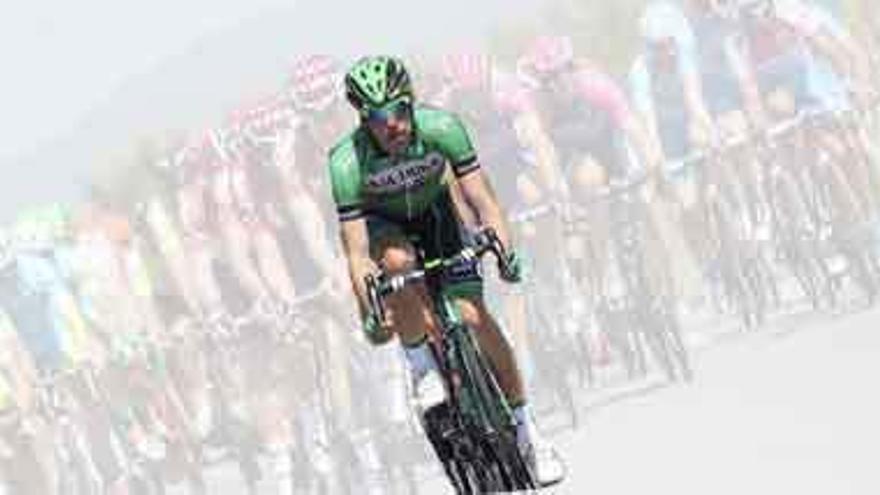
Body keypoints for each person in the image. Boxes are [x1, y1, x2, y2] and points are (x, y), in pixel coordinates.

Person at [327, 55, 564, 485]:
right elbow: (358, 251)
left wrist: (505, 253)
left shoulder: (442, 128)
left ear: (411, 102)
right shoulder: (345, 162)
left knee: (474, 316)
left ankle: (530, 434)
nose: (391, 126)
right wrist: (370, 312)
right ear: (362, 119)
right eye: (377, 119)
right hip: (387, 228)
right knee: (396, 265)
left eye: (398, 112)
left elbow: (483, 199)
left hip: (438, 218)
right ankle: (421, 364)